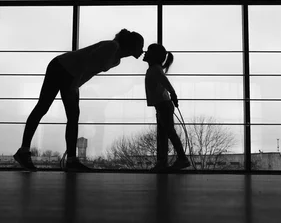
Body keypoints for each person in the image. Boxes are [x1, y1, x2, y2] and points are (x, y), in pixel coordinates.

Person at [14, 29, 144, 171]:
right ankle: (31, 152)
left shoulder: (116, 59)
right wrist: (74, 84)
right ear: (132, 45)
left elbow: (90, 70)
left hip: (69, 73)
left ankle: (68, 159)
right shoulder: (112, 47)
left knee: (70, 115)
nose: (141, 50)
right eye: (140, 47)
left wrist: (76, 85)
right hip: (61, 68)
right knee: (44, 107)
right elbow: (86, 63)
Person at [143, 43, 190, 172]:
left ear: (154, 56)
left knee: (168, 132)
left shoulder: (155, 69)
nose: (144, 53)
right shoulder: (155, 69)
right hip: (162, 105)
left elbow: (167, 84)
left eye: (148, 51)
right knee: (164, 134)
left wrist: (173, 95)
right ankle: (164, 161)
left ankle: (180, 159)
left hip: (163, 105)